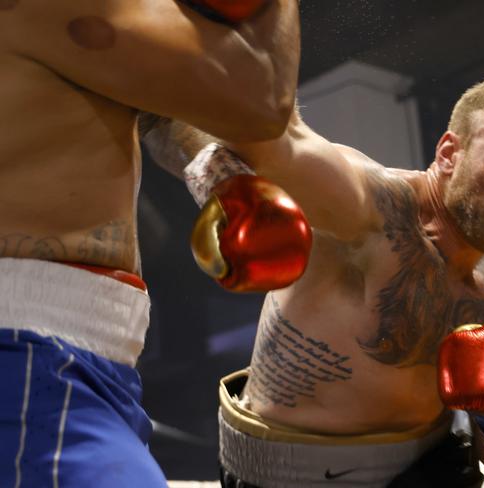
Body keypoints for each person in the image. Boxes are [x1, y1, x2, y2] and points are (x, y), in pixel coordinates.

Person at [153, 74, 484, 487]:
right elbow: (235, 130)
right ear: (450, 153)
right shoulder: (367, 207)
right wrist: (229, 188)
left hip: (431, 472)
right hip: (281, 474)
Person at [0, 1, 300, 486]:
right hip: (29, 349)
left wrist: (222, 180)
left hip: (77, 352)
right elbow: (260, 97)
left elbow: (150, 108)